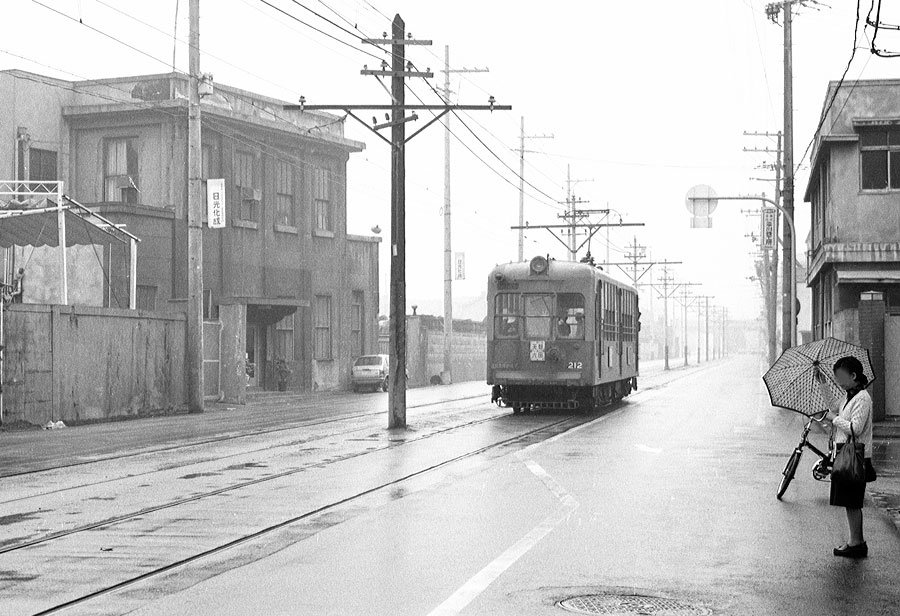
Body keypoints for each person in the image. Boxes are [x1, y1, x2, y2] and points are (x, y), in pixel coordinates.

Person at [818, 356, 874, 559]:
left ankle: (856, 543)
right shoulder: (849, 396)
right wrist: (823, 384)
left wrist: (834, 420)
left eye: (841, 376)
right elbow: (834, 407)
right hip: (846, 453)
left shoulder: (862, 398)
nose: (838, 380)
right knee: (850, 501)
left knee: (853, 501)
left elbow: (855, 428)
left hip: (856, 456)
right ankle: (855, 542)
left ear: (854, 375)